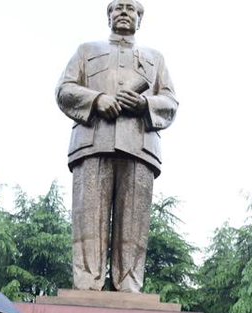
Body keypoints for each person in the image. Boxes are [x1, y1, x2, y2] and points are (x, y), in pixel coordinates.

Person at [56, 0, 178, 292]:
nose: (124, 12)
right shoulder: (86, 51)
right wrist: (97, 100)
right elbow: (64, 90)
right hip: (92, 142)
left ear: (139, 18)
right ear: (108, 15)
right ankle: (87, 283)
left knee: (134, 224)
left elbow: (171, 103)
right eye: (118, 7)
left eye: (131, 8)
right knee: (89, 219)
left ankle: (128, 285)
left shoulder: (155, 58)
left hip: (139, 146)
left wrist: (144, 103)